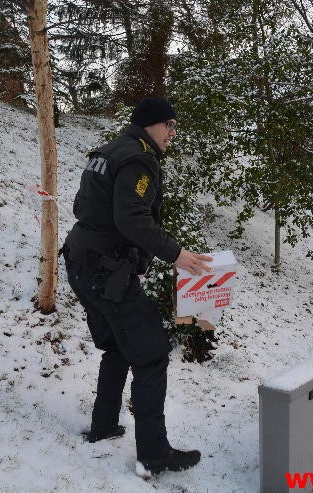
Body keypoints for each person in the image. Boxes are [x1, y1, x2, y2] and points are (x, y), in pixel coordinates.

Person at [63, 97, 212, 476]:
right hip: (105, 275)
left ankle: (103, 426)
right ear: (151, 124)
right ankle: (154, 454)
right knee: (151, 354)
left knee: (116, 345)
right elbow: (131, 218)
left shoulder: (108, 151)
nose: (173, 134)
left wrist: (132, 260)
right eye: (170, 125)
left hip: (83, 263)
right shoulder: (139, 159)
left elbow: (86, 207)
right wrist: (175, 254)